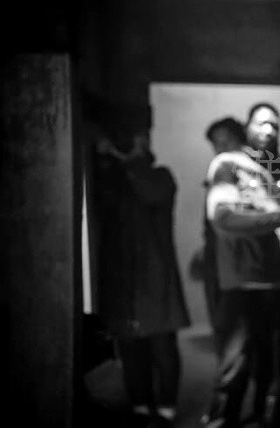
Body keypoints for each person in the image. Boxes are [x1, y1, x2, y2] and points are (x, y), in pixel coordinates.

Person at [202, 103, 280, 428]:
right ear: (246, 127)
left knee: (277, 370)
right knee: (234, 369)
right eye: (261, 122)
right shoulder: (228, 165)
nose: (268, 130)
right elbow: (223, 219)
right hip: (244, 284)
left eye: (275, 125)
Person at [94, 128, 190, 427]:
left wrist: (130, 159)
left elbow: (151, 193)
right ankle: (140, 409)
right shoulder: (114, 179)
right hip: (123, 280)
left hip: (155, 277)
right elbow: (104, 203)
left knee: (163, 349)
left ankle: (166, 410)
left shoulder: (161, 176)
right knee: (131, 350)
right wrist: (108, 160)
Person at [191, 117, 248, 335]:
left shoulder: (251, 179)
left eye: (227, 141)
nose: (222, 148)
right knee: (222, 326)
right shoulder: (217, 176)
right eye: (217, 143)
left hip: (242, 267)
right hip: (216, 264)